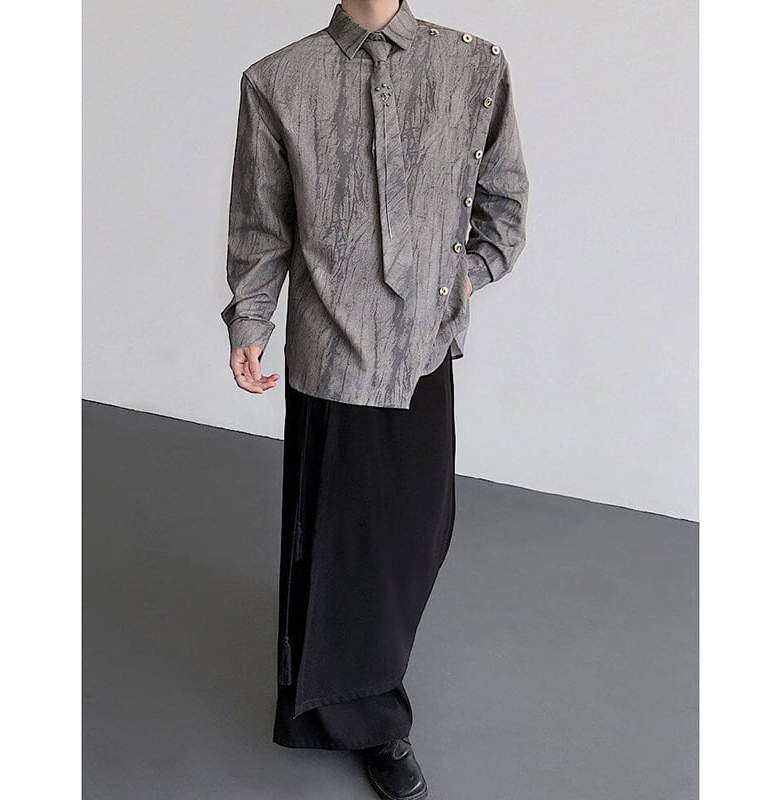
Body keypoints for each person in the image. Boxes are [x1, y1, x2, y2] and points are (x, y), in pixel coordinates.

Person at [220, 1, 529, 797]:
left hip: (423, 351)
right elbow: (262, 224)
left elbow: (502, 203)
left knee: (418, 532)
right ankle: (366, 720)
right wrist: (250, 319)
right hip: (331, 348)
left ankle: (356, 679)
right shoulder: (279, 79)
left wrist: (463, 277)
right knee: (340, 541)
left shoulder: (474, 65)